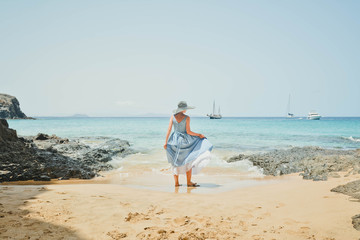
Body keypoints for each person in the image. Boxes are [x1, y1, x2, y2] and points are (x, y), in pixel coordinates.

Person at [164, 101, 213, 187]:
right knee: (188, 161)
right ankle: (188, 182)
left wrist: (166, 142)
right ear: (183, 109)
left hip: (174, 140)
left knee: (175, 162)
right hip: (184, 141)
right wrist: (199, 135)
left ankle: (176, 183)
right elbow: (188, 131)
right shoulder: (187, 118)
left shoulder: (173, 117)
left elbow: (168, 130)